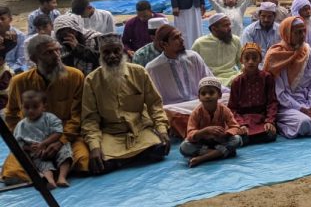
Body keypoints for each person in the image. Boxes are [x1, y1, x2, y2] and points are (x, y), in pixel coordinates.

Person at [2, 35, 89, 184]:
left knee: (83, 161)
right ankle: (48, 174)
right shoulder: (19, 81)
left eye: (57, 51)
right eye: (49, 53)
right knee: (12, 172)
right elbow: (11, 116)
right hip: (32, 142)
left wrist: (60, 141)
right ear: (34, 59)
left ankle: (51, 173)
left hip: (65, 137)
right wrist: (28, 143)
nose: (56, 56)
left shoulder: (75, 76)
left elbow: (77, 115)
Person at [81, 34, 170, 175]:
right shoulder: (91, 80)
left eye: (116, 51)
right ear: (100, 54)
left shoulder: (139, 72)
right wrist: (94, 147)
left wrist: (162, 130)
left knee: (160, 148)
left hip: (140, 130)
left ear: (122, 51)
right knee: (99, 162)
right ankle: (132, 158)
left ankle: (123, 160)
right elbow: (90, 119)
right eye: (106, 52)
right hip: (111, 134)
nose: (112, 56)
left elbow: (154, 105)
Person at [264, 16, 311, 139]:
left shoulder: (308, 52)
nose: (302, 35)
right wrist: (302, 109)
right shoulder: (275, 57)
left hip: (307, 100)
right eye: (297, 32)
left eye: (303, 31)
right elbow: (280, 94)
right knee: (305, 123)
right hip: (286, 105)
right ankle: (281, 124)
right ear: (287, 33)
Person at [146, 25, 215, 137]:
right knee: (166, 111)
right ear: (163, 44)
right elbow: (154, 102)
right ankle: (199, 133)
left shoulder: (193, 57)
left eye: (180, 36)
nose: (182, 40)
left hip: (200, 102)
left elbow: (209, 81)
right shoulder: (152, 68)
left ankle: (198, 130)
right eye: (176, 38)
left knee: (227, 97)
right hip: (176, 108)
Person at [13, 90, 73, 189]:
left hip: (54, 147)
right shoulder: (21, 125)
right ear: (21, 108)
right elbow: (18, 143)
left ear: (43, 107)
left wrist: (44, 143)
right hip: (38, 153)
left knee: (66, 152)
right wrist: (29, 148)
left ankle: (62, 177)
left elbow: (58, 132)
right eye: (27, 107)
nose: (31, 111)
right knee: (43, 164)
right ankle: (50, 181)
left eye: (35, 107)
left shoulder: (49, 118)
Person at [181, 77, 244, 168]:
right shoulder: (196, 113)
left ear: (219, 95)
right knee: (184, 146)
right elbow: (190, 134)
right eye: (203, 93)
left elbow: (234, 127)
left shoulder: (224, 110)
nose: (207, 96)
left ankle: (202, 158)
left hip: (220, 141)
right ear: (199, 97)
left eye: (211, 93)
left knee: (238, 139)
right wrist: (204, 131)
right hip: (203, 144)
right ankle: (221, 153)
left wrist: (225, 134)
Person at [227, 43, 278, 145]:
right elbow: (232, 108)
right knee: (239, 136)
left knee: (270, 134)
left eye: (254, 58)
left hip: (261, 118)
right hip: (243, 119)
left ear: (260, 59)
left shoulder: (267, 77)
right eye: (247, 58)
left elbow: (272, 102)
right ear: (241, 60)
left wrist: (269, 121)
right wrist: (241, 124)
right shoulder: (237, 82)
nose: (251, 62)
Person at [191, 14, 241, 86]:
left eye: (229, 25)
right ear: (214, 29)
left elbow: (241, 62)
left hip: (234, 78)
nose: (230, 28)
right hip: (210, 79)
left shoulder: (235, 40)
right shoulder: (200, 43)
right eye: (226, 25)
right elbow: (193, 67)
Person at [1, 7, 26, 74]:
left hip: (12, 70)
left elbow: (21, 61)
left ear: (10, 19)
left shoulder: (20, 36)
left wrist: (8, 71)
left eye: (2, 19)